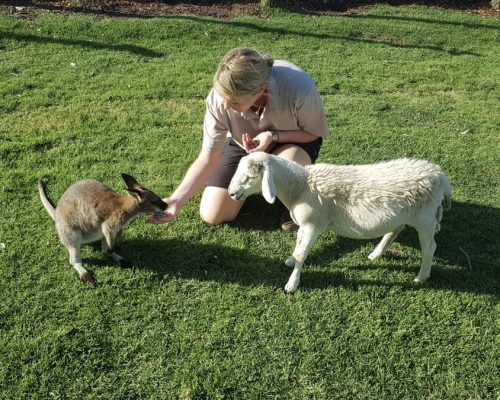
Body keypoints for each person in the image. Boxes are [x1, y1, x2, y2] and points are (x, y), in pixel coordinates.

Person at [148, 47, 329, 230]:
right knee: (213, 214)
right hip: (243, 144)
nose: (226, 106)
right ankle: (263, 184)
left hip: (293, 142)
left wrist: (273, 136)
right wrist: (176, 200)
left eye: (234, 101)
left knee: (286, 164)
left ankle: (292, 204)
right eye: (224, 98)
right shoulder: (219, 99)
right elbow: (208, 157)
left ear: (262, 90)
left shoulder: (299, 88)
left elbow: (314, 133)